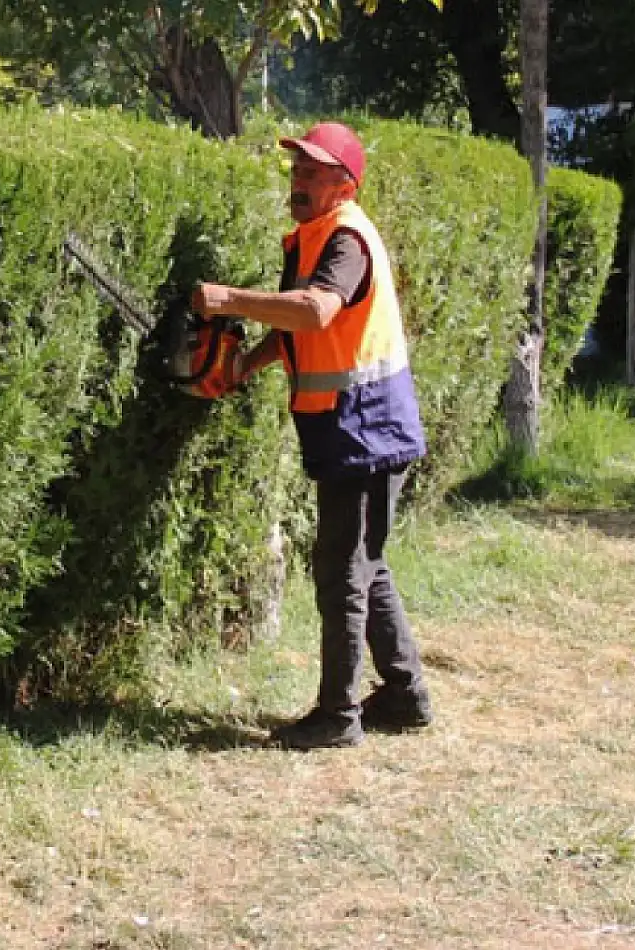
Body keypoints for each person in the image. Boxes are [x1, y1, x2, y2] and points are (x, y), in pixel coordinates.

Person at [191, 121, 434, 750]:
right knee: (364, 564)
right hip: (351, 423)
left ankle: (338, 716)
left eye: (314, 172)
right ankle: (405, 696)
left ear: (344, 183)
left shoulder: (346, 237)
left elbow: (316, 309)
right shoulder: (312, 235)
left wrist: (226, 302)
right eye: (297, 169)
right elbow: (302, 324)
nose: (299, 180)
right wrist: (246, 364)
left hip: (364, 426)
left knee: (342, 571)